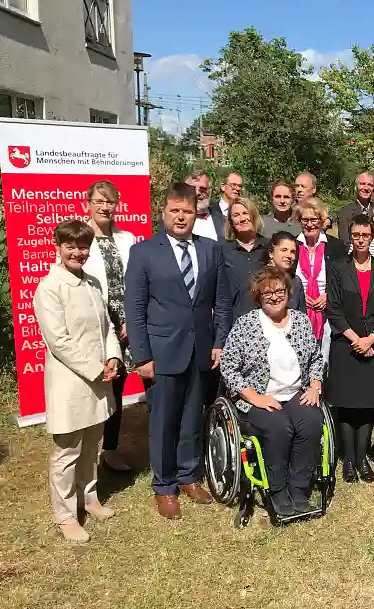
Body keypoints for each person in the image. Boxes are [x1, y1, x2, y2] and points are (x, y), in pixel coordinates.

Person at [125, 182, 232, 519]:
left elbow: (221, 301)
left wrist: (219, 341)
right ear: (163, 213)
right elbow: (135, 308)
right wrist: (142, 356)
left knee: (191, 419)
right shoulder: (144, 253)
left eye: (187, 211)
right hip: (162, 352)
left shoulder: (211, 249)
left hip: (201, 350)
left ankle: (188, 476)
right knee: (163, 422)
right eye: (175, 210)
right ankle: (164, 485)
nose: (181, 217)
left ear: (195, 214)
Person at [34, 219, 123, 543]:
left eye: (83, 247)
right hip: (71, 382)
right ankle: (65, 515)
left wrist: (113, 357)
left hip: (98, 379)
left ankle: (89, 498)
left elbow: (107, 327)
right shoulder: (49, 287)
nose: (77, 252)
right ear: (58, 246)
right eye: (70, 246)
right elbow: (59, 342)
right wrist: (96, 369)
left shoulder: (93, 283)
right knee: (67, 452)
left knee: (90, 446)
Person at [219, 267, 325, 516]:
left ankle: (298, 488)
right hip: (259, 395)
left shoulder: (301, 321)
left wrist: (315, 385)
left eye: (280, 291)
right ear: (259, 297)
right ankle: (277, 490)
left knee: (311, 422)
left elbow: (315, 358)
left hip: (296, 392)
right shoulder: (246, 324)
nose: (275, 297)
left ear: (288, 292)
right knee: (279, 428)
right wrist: (255, 397)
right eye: (268, 293)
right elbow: (229, 366)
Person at [326, 215, 374, 483]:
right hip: (346, 344)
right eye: (356, 235)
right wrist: (356, 339)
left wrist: (371, 338)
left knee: (366, 404)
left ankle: (362, 457)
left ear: (372, 237)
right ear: (350, 237)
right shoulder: (337, 268)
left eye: (365, 235)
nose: (361, 240)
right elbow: (333, 308)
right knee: (346, 403)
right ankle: (348, 460)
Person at [83, 180, 136, 473]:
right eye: (99, 201)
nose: (105, 207)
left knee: (116, 390)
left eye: (110, 202)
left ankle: (110, 451)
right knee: (93, 392)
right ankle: (86, 455)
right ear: (88, 204)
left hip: (125, 326)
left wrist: (130, 319)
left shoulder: (127, 239)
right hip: (95, 326)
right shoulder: (79, 237)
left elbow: (135, 282)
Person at [294, 197, 347, 363]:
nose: (309, 224)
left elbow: (344, 279)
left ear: (322, 221)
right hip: (298, 311)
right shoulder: (292, 245)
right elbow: (284, 278)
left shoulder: (336, 246)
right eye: (305, 220)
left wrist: (328, 296)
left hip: (327, 314)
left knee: (324, 358)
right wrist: (299, 295)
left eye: (314, 219)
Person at [220, 196, 270, 319]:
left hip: (267, 318)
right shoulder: (222, 250)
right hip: (234, 319)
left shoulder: (269, 247)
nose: (242, 219)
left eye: (245, 213)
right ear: (231, 221)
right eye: (236, 215)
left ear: (254, 215)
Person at [264, 231, 307, 313]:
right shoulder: (259, 280)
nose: (289, 256)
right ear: (271, 253)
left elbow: (302, 314)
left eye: (293, 252)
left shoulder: (296, 281)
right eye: (284, 250)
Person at [337, 172, 374, 247]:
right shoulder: (345, 212)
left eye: (370, 185)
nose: (366, 188)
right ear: (356, 187)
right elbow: (344, 242)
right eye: (362, 184)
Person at [186, 169, 224, 241]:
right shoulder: (174, 221)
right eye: (192, 189)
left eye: (202, 189)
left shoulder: (225, 222)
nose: (197, 193)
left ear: (210, 191)